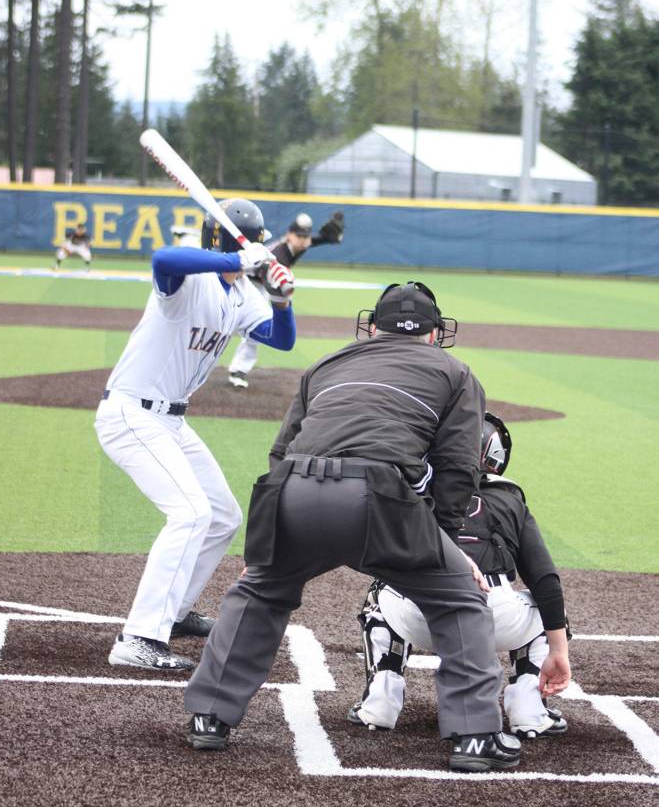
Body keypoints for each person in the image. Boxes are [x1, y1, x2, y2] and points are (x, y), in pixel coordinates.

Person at [185, 281, 522, 773]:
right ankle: (474, 736)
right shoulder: (455, 372)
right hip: (379, 501)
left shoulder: (328, 364)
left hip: (295, 491)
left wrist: (263, 551)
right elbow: (456, 470)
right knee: (458, 599)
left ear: (373, 327)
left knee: (259, 592)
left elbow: (281, 454)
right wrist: (449, 545)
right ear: (434, 334)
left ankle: (209, 717)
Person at [95, 198, 297, 671]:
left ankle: (177, 610)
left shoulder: (243, 294)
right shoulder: (188, 279)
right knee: (188, 513)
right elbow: (162, 259)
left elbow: (280, 339)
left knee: (223, 516)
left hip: (171, 421)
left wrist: (283, 301)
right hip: (131, 413)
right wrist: (237, 261)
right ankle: (139, 638)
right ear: (228, 246)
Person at [348, 412, 572, 739]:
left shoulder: (418, 489)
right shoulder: (511, 500)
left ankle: (380, 701)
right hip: (494, 620)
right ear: (494, 456)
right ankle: (529, 707)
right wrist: (559, 652)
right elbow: (546, 581)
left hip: (420, 615)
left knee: (381, 589)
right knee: (548, 607)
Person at [227, 210, 345, 389]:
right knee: (250, 323)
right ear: (289, 235)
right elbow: (266, 274)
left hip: (258, 284)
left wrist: (330, 238)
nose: (304, 239)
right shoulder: (280, 253)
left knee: (250, 325)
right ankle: (237, 368)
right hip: (248, 283)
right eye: (299, 235)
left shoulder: (297, 244)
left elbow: (314, 240)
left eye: (305, 236)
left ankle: (238, 369)